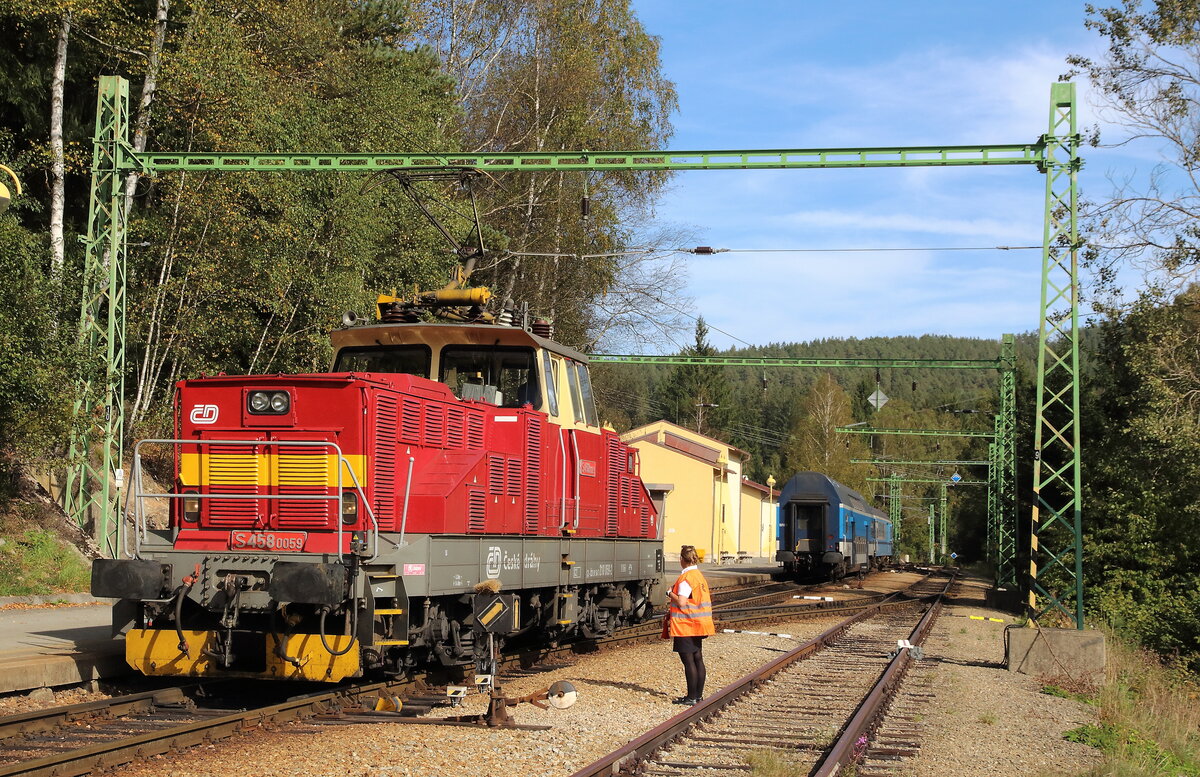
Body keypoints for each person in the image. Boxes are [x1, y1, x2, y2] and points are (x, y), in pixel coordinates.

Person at [663, 545, 715, 705]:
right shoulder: (698, 575)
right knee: (698, 658)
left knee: (688, 661)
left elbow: (681, 601)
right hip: (699, 623)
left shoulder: (686, 579)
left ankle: (691, 697)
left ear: (681, 560)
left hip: (686, 624)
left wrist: (669, 593)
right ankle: (698, 696)